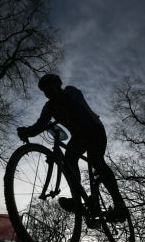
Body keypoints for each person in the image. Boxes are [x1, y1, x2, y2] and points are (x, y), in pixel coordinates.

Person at [17, 74, 128, 222]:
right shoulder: (49, 106)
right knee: (69, 159)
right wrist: (28, 131)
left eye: (48, 86)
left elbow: (76, 104)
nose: (46, 92)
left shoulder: (70, 91)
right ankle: (77, 199)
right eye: (43, 90)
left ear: (58, 84)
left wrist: (59, 104)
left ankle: (120, 205)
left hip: (94, 129)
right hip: (79, 136)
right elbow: (41, 123)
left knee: (96, 160)